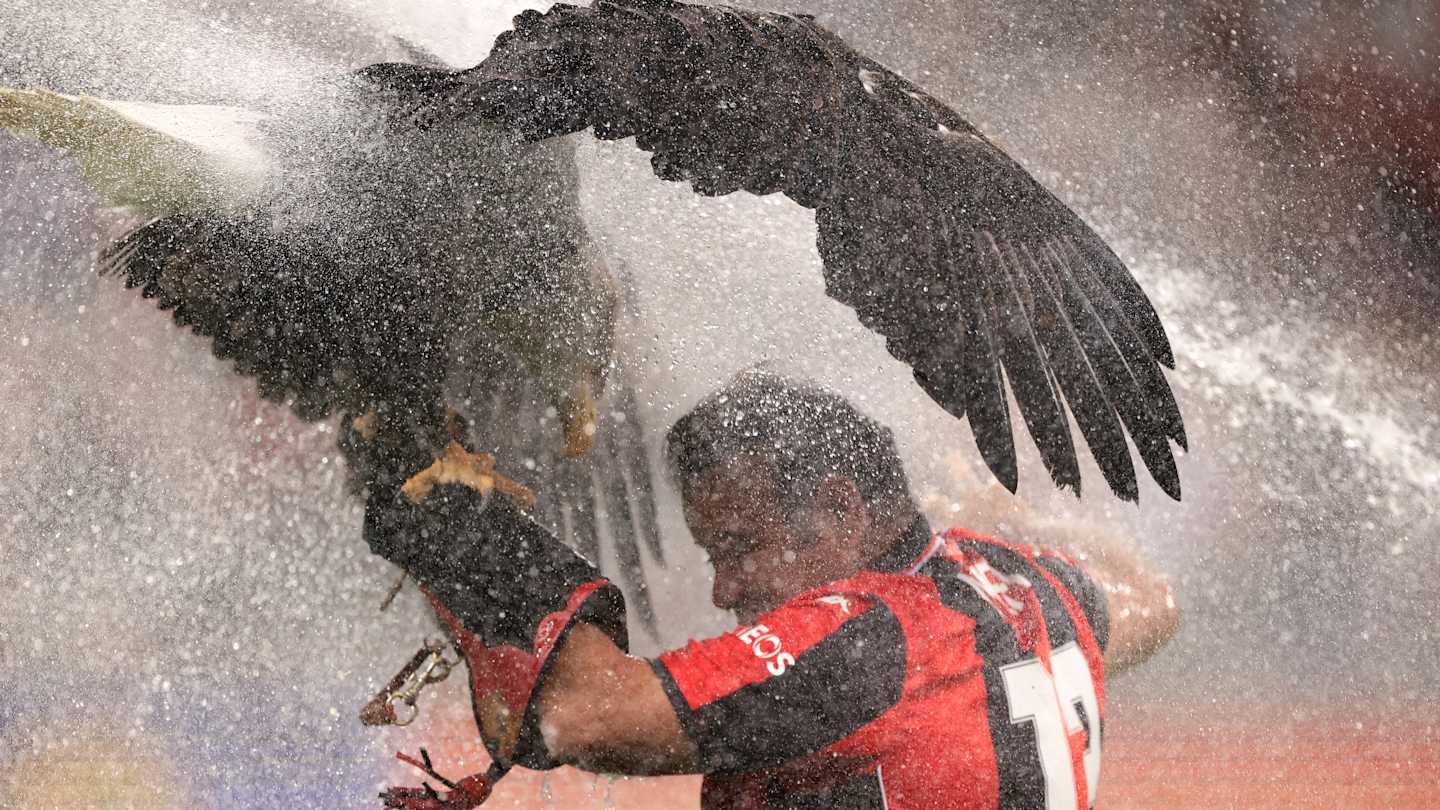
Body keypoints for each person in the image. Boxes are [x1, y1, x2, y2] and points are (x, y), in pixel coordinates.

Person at [367, 371, 1181, 810]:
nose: (723, 588)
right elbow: (1155, 596)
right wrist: (1009, 521)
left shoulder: (867, 637)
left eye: (741, 547)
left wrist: (446, 514)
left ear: (840, 505)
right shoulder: (1036, 586)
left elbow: (581, 711)